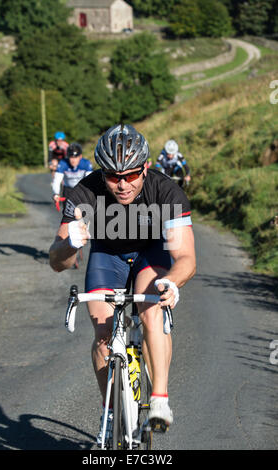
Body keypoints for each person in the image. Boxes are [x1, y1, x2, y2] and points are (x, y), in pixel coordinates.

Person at [49, 124, 196, 445]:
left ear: (145, 168)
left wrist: (172, 281)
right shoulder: (85, 193)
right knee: (103, 336)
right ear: (102, 173)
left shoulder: (166, 191)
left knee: (151, 310)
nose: (123, 184)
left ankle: (159, 400)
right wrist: (69, 244)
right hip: (107, 257)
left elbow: (185, 256)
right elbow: (57, 263)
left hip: (149, 254)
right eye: (113, 176)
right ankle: (110, 411)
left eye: (131, 175)